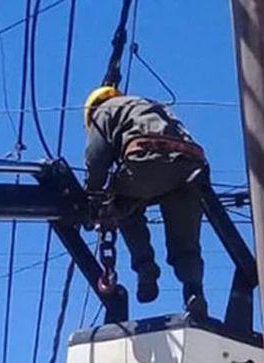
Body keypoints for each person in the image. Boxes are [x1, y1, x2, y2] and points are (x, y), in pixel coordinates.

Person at [83, 86, 208, 317]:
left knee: (122, 205)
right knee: (186, 241)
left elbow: (96, 159)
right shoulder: (153, 106)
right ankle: (194, 292)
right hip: (191, 166)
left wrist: (92, 197)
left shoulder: (103, 112)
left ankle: (145, 269)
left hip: (148, 159)